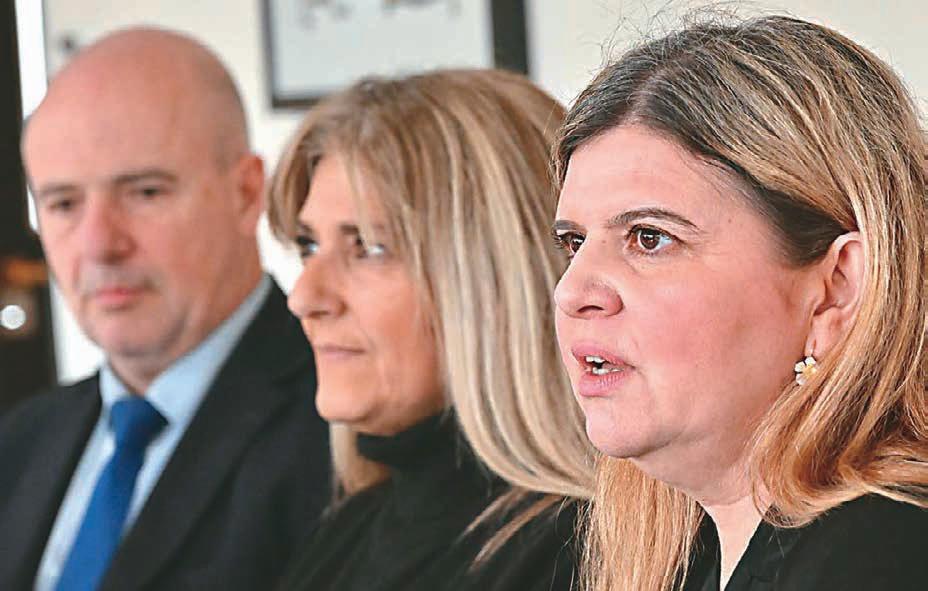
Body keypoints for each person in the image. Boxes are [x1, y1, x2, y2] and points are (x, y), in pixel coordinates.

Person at [552, 14, 928, 591]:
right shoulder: (693, 559)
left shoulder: (884, 556)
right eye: (575, 243)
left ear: (837, 288)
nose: (572, 292)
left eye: (650, 238)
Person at [0, 28, 330, 591]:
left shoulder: (343, 432)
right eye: (63, 204)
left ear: (247, 193)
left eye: (145, 192)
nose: (99, 244)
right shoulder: (21, 442)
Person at [266, 68, 594, 591]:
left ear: (498, 281)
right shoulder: (352, 529)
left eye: (368, 247)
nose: (305, 298)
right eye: (309, 246)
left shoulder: (575, 557)